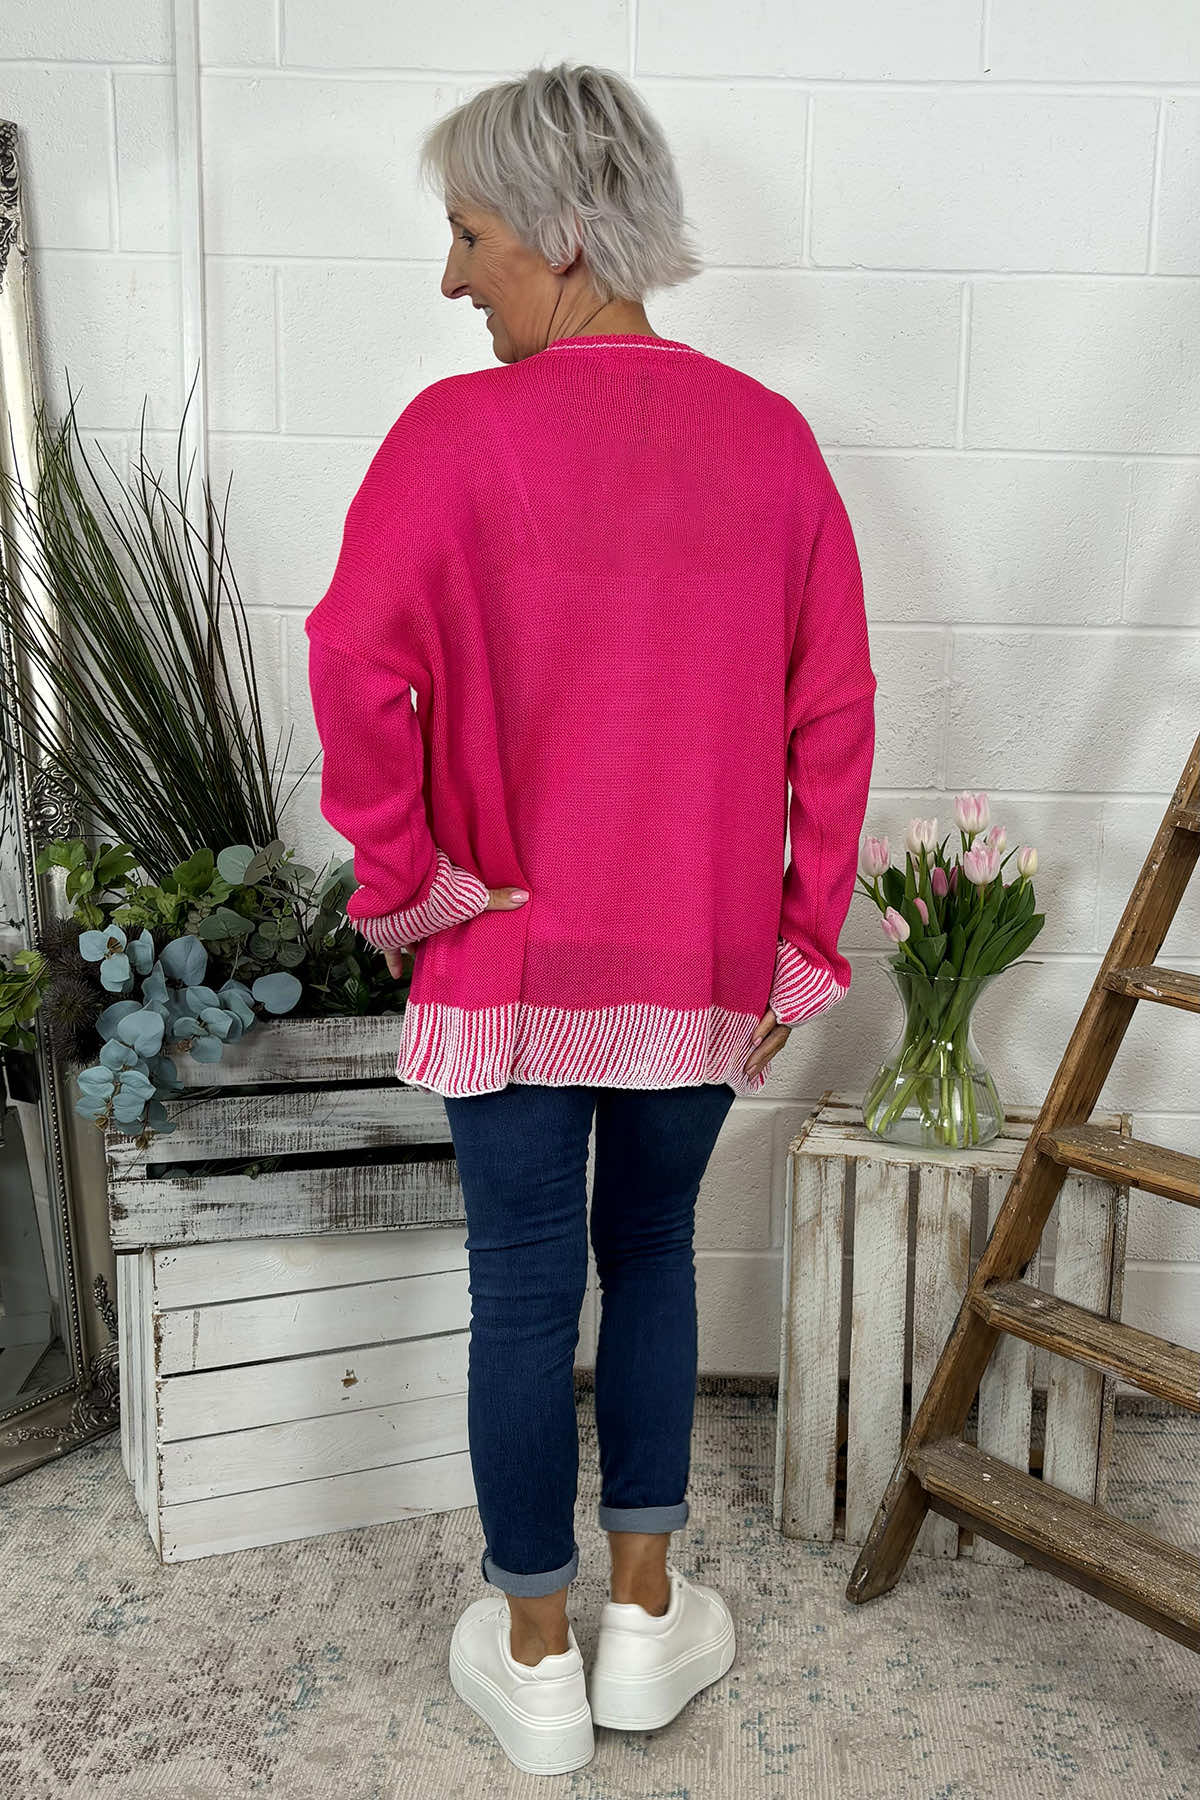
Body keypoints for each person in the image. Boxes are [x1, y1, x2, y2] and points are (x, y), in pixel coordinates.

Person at [305, 60, 876, 1778]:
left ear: (562, 231)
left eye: (470, 233)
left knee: (522, 1285)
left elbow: (350, 661)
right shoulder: (772, 443)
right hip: (694, 966)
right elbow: (835, 711)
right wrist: (800, 939)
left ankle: (538, 1654)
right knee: (652, 1256)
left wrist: (407, 885)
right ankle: (646, 1617)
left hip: (511, 961)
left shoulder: (451, 438)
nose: (452, 277)